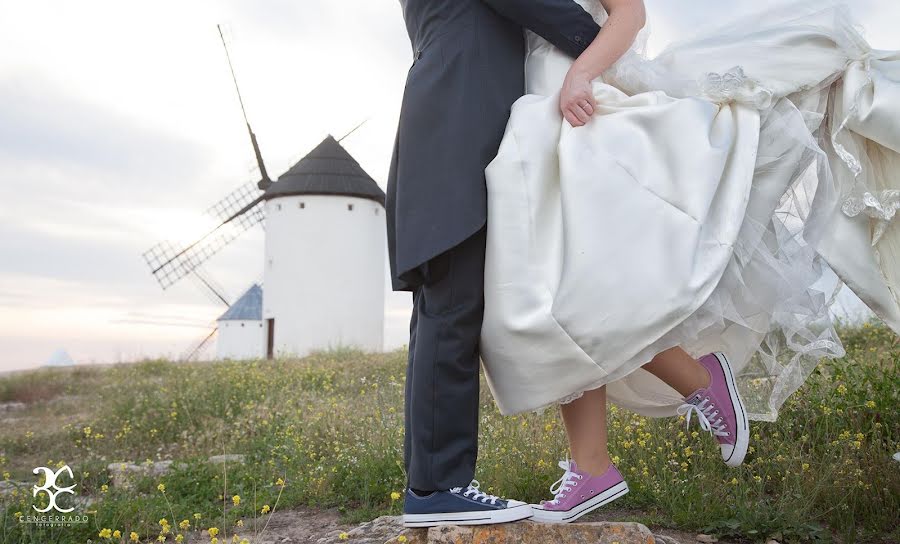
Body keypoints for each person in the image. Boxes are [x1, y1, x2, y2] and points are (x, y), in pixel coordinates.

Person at [479, 0, 900, 524]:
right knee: (551, 287)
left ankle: (626, 438)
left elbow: (630, 13)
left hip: (580, 106)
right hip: (531, 109)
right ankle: (612, 449)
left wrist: (581, 75)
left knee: (576, 283)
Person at [385, 0, 608, 529]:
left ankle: (433, 485)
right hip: (455, 133)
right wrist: (607, 44)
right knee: (451, 310)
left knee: (442, 310)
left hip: (443, 126)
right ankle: (439, 488)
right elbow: (543, 10)